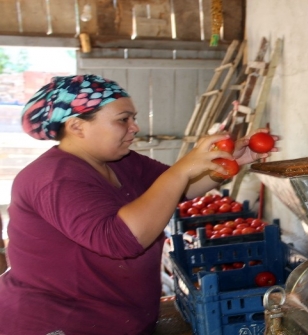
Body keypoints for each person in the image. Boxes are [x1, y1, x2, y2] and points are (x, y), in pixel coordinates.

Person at [0, 74, 277, 335]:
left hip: (117, 319)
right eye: (123, 119)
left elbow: (179, 190)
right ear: (77, 126)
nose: (135, 127)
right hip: (60, 324)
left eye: (133, 118)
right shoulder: (54, 179)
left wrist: (227, 166)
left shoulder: (122, 161)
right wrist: (180, 171)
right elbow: (121, 240)